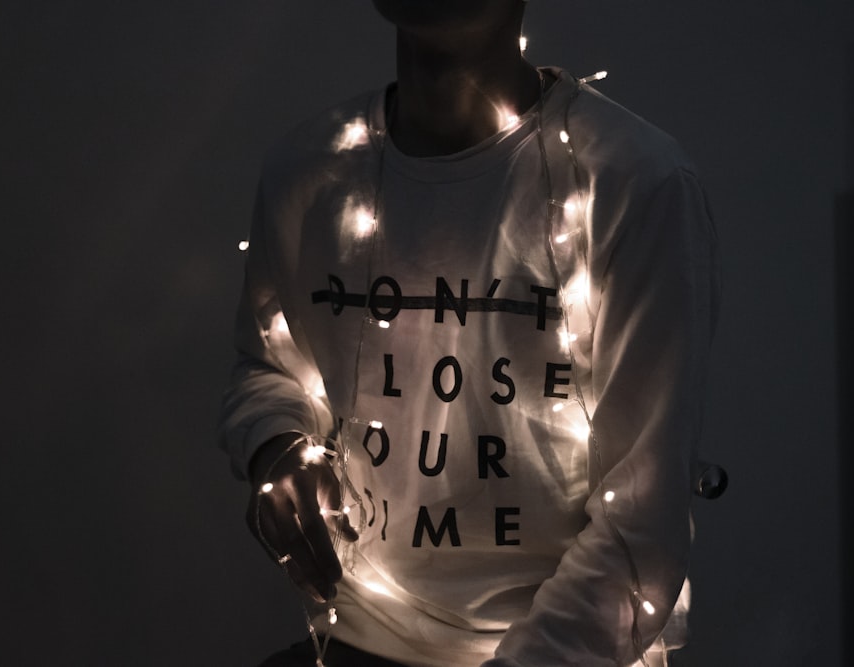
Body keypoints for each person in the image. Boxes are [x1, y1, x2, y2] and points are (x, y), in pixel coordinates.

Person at [219, 1, 720, 665]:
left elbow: (642, 524)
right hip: (357, 638)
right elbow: (268, 367)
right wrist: (279, 446)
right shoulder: (311, 171)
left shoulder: (634, 182)